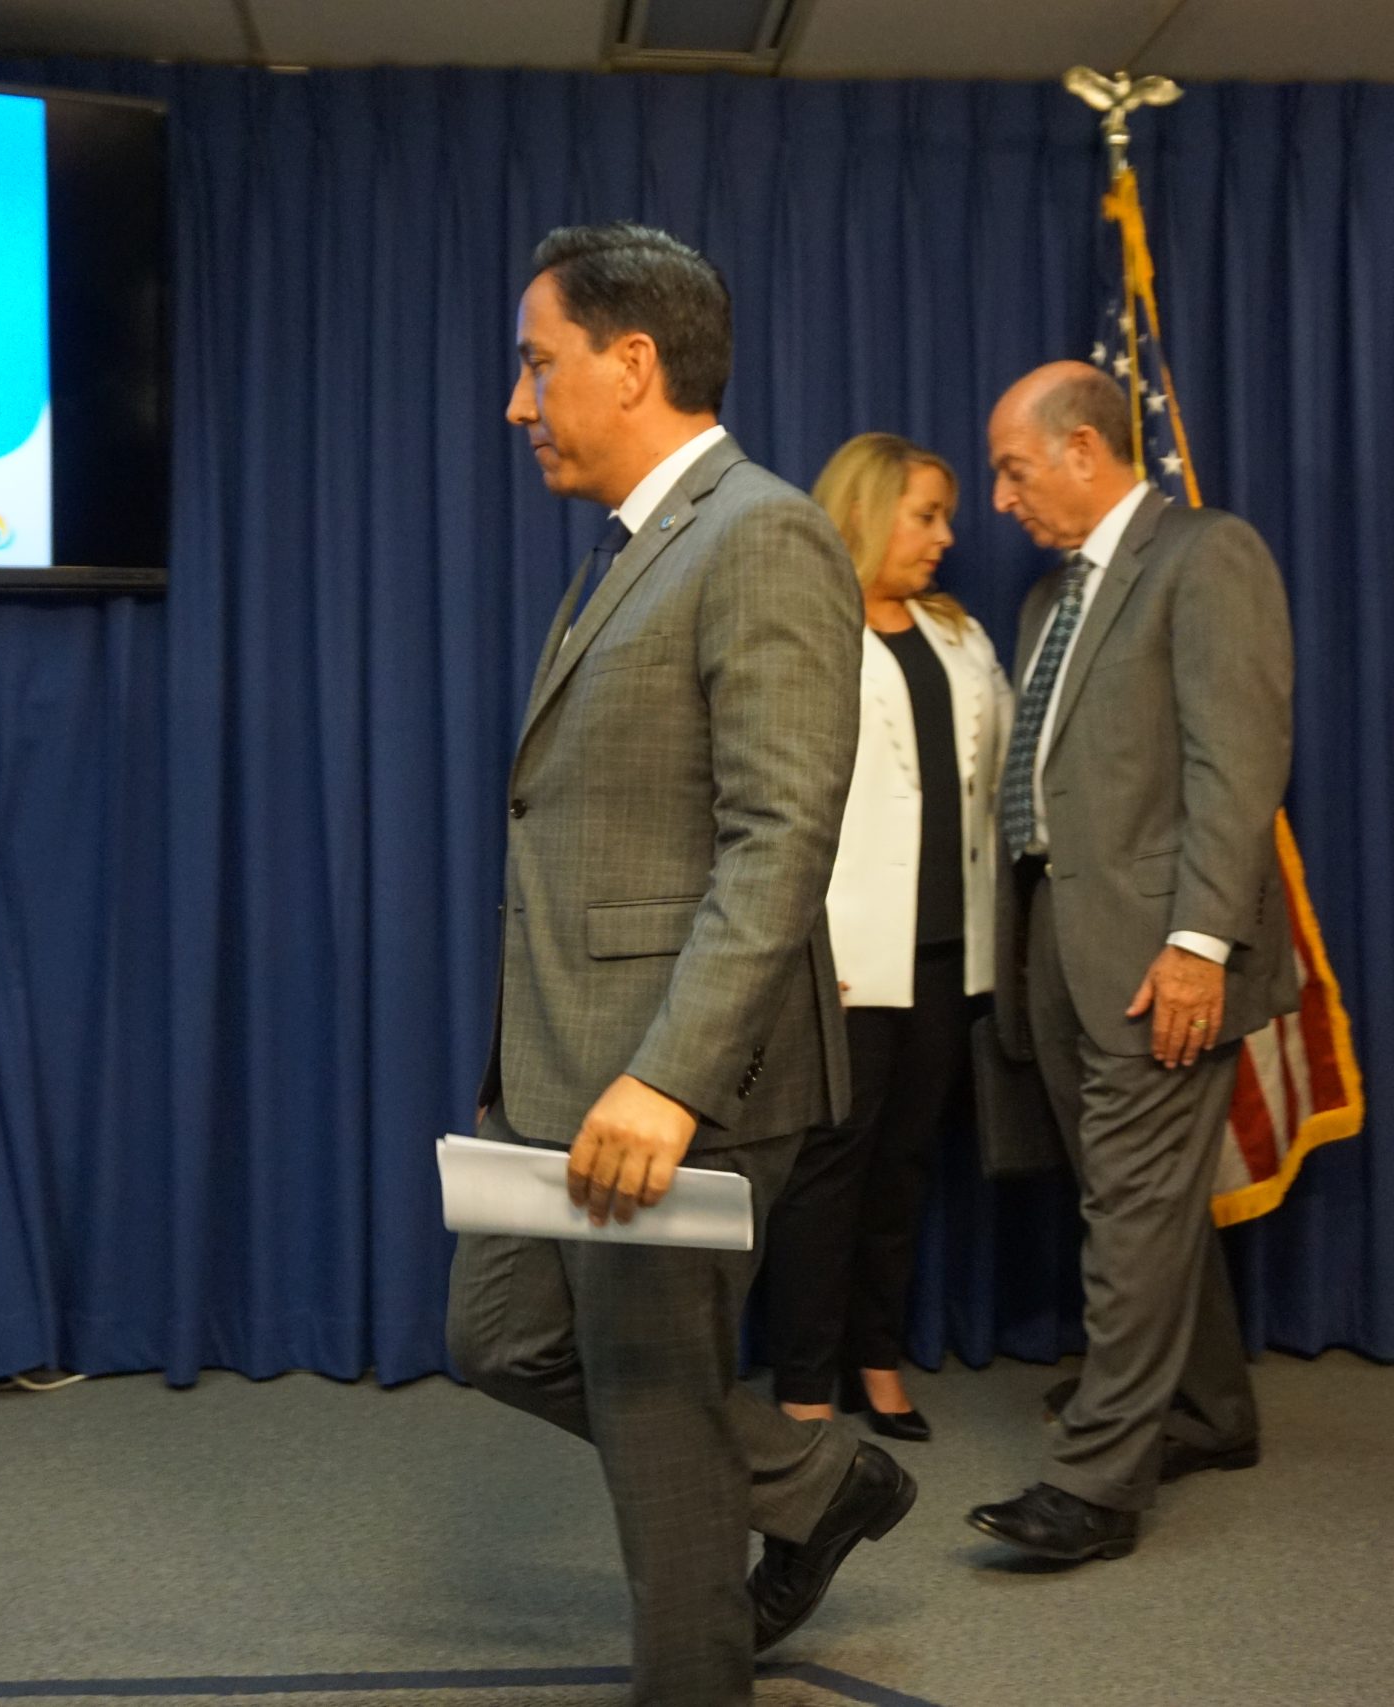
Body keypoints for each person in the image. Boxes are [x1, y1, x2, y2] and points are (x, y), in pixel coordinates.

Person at [444, 222, 914, 1705]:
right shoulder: (637, 542)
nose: (517, 403)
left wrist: (668, 1076)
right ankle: (820, 1478)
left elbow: (781, 836)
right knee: (499, 1334)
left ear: (632, 362)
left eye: (538, 365)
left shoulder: (761, 532)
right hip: (562, 1063)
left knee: (656, 1423)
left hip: (675, 1076)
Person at [965, 360, 1294, 1566]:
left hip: (1163, 950)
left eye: (1012, 470)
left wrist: (1200, 943)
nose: (1000, 499)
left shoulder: (1207, 556)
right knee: (1136, 1197)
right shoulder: (1047, 601)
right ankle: (1207, 1410)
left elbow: (1237, 762)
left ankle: (1096, 1484)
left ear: (1083, 450)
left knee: (1130, 1206)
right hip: (1057, 935)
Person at [761, 433, 1012, 1442]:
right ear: (864, 514)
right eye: (927, 515)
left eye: (947, 516)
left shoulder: (960, 634)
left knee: (904, 1167)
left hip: (949, 956)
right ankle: (802, 1383)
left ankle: (878, 1358)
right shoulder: (803, 626)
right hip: (843, 961)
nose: (946, 537)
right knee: (826, 1176)